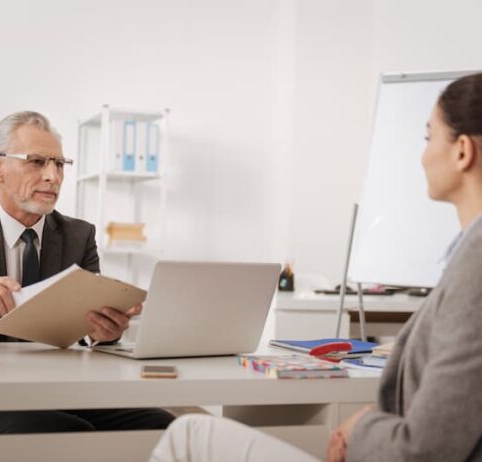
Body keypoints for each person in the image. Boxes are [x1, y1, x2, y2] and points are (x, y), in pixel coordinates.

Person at [149, 72, 482, 462]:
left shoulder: (474, 269)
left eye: (428, 138)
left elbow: (425, 449)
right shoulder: (466, 256)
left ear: (461, 151)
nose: (422, 155)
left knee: (188, 434)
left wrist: (361, 429)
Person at [0, 111, 174, 435]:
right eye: (37, 162)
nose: (53, 176)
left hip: (60, 391)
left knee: (163, 426)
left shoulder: (79, 236)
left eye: (59, 164)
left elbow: (87, 332)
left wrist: (102, 332)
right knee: (62, 431)